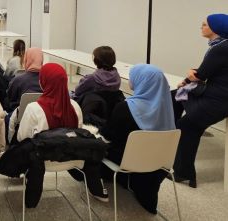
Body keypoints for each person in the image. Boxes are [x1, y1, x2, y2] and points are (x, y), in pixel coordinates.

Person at [18, 63, 108, 202]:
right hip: (74, 159)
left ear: (43, 82)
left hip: (43, 161)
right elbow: (77, 134)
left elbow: (22, 138)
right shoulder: (75, 107)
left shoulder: (33, 109)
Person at [101, 64, 175, 213]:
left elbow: (108, 136)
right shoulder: (167, 108)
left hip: (127, 161)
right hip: (159, 161)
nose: (130, 80)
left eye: (132, 77)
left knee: (94, 144)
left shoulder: (125, 108)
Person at [172, 14, 228, 188]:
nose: (201, 27)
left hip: (217, 101)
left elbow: (200, 75)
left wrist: (188, 78)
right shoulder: (220, 45)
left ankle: (183, 173)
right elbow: (208, 71)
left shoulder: (220, 48)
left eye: (205, 24)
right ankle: (169, 138)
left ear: (216, 28)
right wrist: (190, 77)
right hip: (216, 96)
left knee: (186, 126)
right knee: (176, 95)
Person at [5, 47, 43, 112]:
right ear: (41, 60)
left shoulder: (17, 80)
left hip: (20, 115)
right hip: (42, 115)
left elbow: (10, 98)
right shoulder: (48, 82)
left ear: (26, 60)